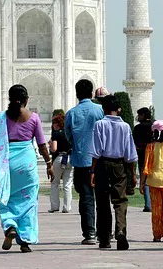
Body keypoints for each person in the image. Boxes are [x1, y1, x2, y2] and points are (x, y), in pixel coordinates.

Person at [0, 84, 55, 253]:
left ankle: (10, 225)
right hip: (26, 163)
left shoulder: (0, 118)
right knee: (28, 201)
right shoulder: (33, 117)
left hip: (7, 163)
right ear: (26, 100)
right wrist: (49, 165)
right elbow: (42, 145)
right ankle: (25, 241)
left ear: (9, 99)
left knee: (4, 197)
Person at [90, 95, 138, 250]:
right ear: (119, 109)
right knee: (120, 201)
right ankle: (121, 230)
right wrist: (132, 174)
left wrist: (92, 171)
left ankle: (105, 239)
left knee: (102, 202)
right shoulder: (125, 127)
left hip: (102, 164)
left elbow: (96, 151)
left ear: (103, 109)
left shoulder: (99, 125)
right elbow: (130, 154)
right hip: (119, 165)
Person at [65, 79, 104, 245]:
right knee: (102, 197)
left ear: (76, 94)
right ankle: (106, 232)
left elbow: (68, 136)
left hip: (81, 160)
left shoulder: (71, 114)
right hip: (100, 160)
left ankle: (89, 233)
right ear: (91, 93)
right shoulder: (100, 110)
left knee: (86, 198)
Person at [48, 113, 73, 213]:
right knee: (68, 184)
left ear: (58, 123)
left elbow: (54, 149)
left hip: (59, 158)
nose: (53, 124)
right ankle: (67, 207)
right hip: (70, 158)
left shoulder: (56, 134)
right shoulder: (69, 133)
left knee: (55, 183)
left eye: (54, 122)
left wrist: (50, 146)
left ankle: (54, 206)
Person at [133, 107, 153, 211]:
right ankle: (154, 203)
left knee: (144, 180)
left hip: (142, 156)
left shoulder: (137, 128)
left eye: (140, 115)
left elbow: (134, 143)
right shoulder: (154, 126)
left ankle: (148, 204)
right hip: (154, 156)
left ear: (143, 115)